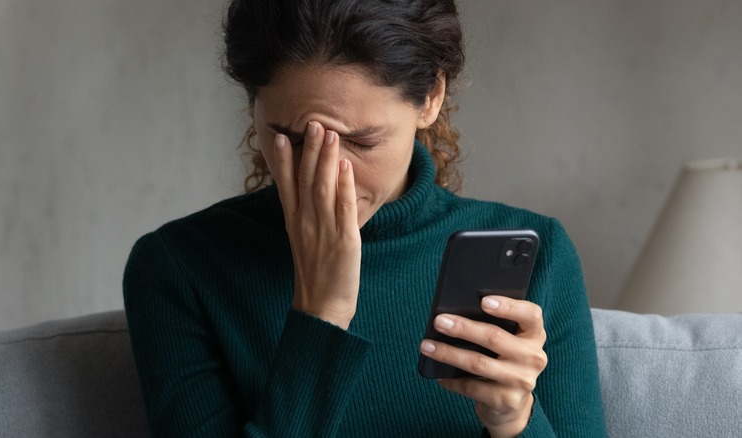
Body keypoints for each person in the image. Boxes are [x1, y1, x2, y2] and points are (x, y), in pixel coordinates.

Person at [123, 0, 607, 436]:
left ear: (431, 98)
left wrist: (513, 421)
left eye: (361, 142)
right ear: (253, 107)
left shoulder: (538, 252)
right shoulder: (179, 267)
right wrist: (321, 314)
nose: (330, 176)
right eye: (291, 139)